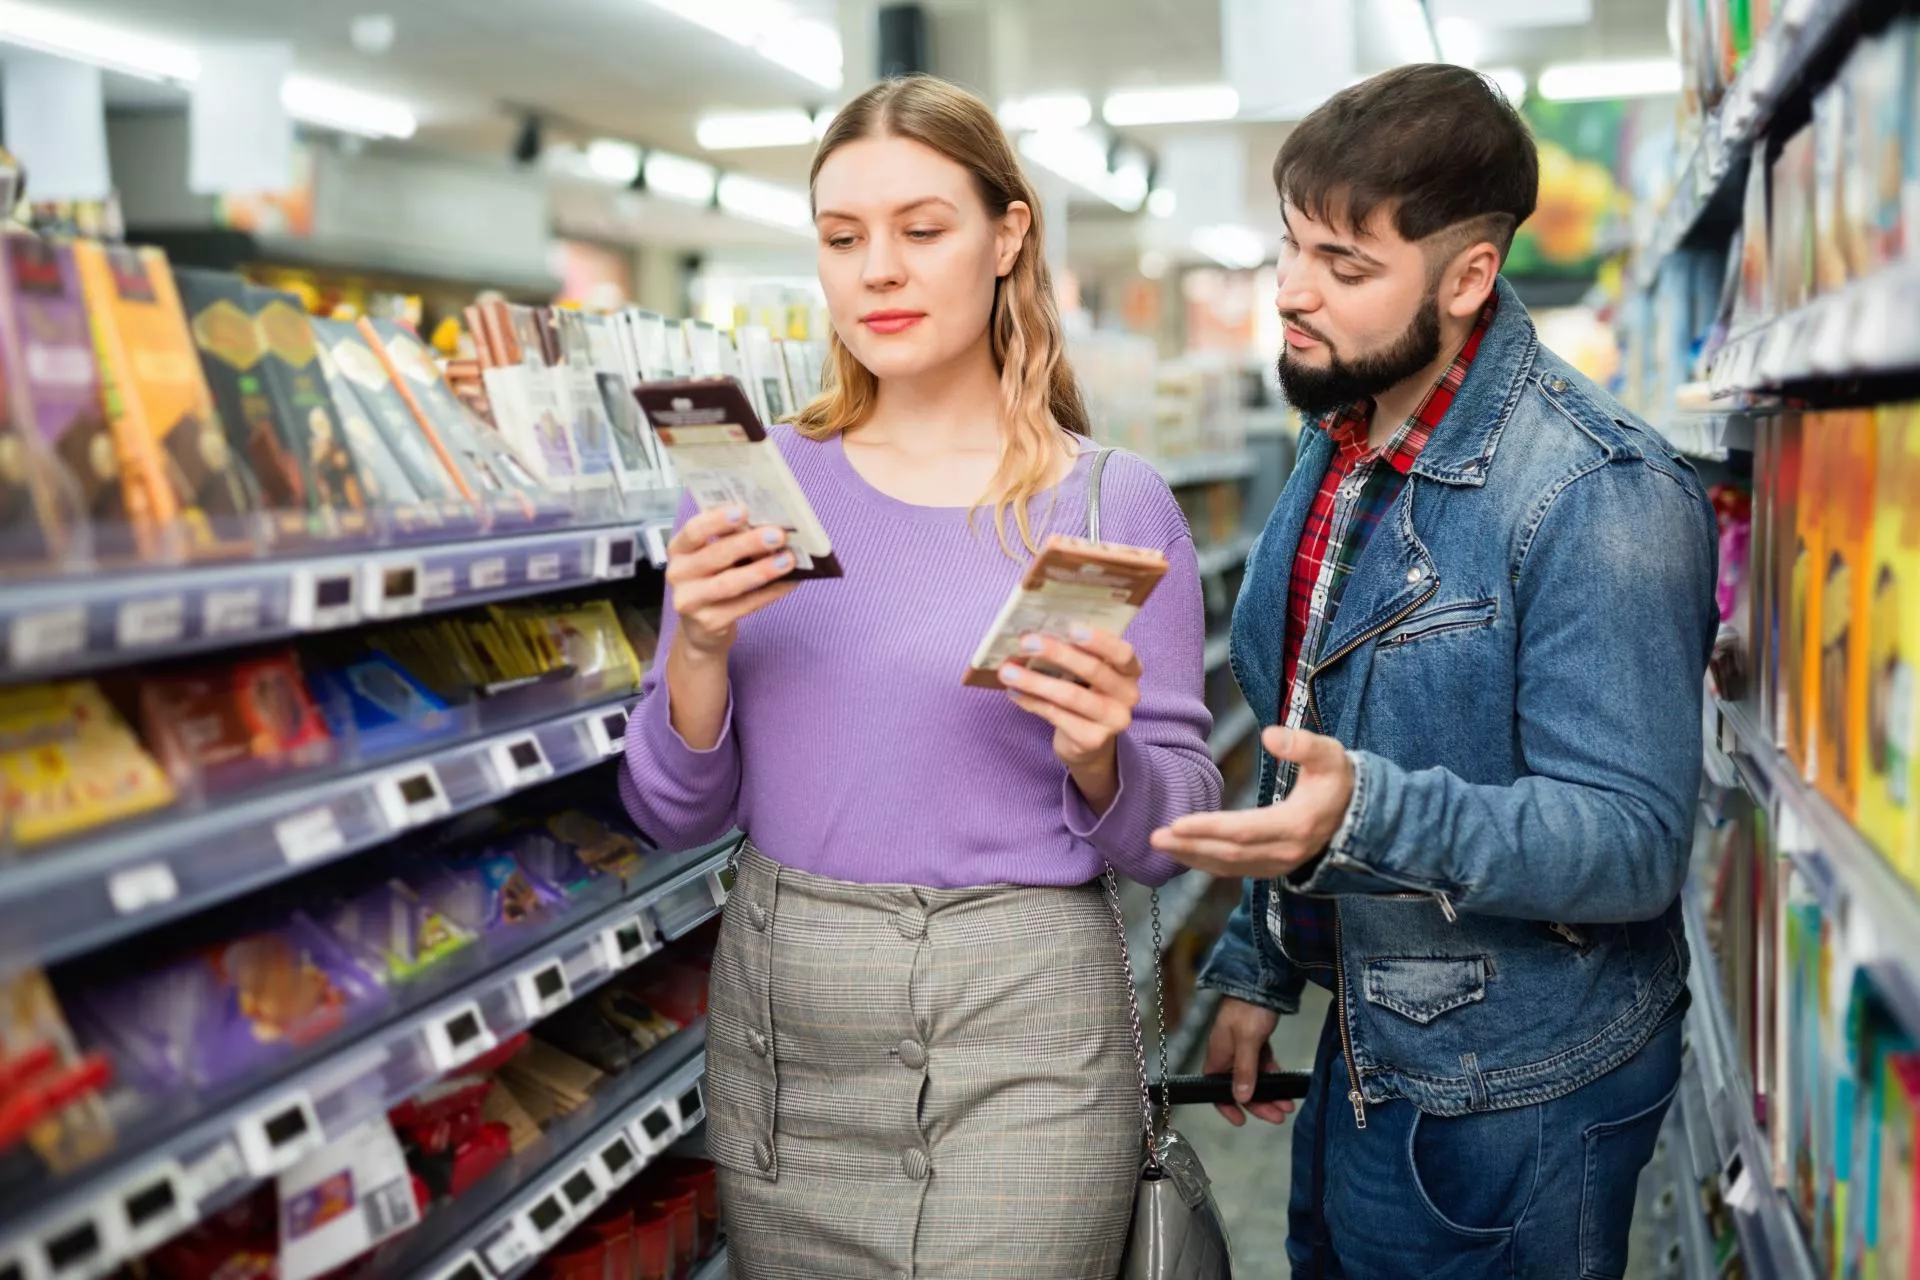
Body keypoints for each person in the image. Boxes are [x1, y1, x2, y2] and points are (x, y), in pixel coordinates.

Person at [619, 74, 1222, 1280]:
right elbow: (670, 812)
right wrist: (692, 644)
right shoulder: (758, 486)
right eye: (843, 239)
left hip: (1026, 1027)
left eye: (921, 229)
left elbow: (1171, 835)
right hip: (790, 1023)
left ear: (1008, 237)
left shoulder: (1108, 500)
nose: (877, 271)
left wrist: (1102, 755)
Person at [1151, 64, 1719, 1278]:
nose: (1294, 294)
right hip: (1373, 1034)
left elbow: (1628, 841)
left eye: (1348, 266)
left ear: (1469, 277)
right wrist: (1259, 958)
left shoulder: (1597, 492)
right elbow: (1307, 707)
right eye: (1292, 246)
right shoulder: (1342, 429)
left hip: (1514, 1087)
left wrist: (1368, 808)